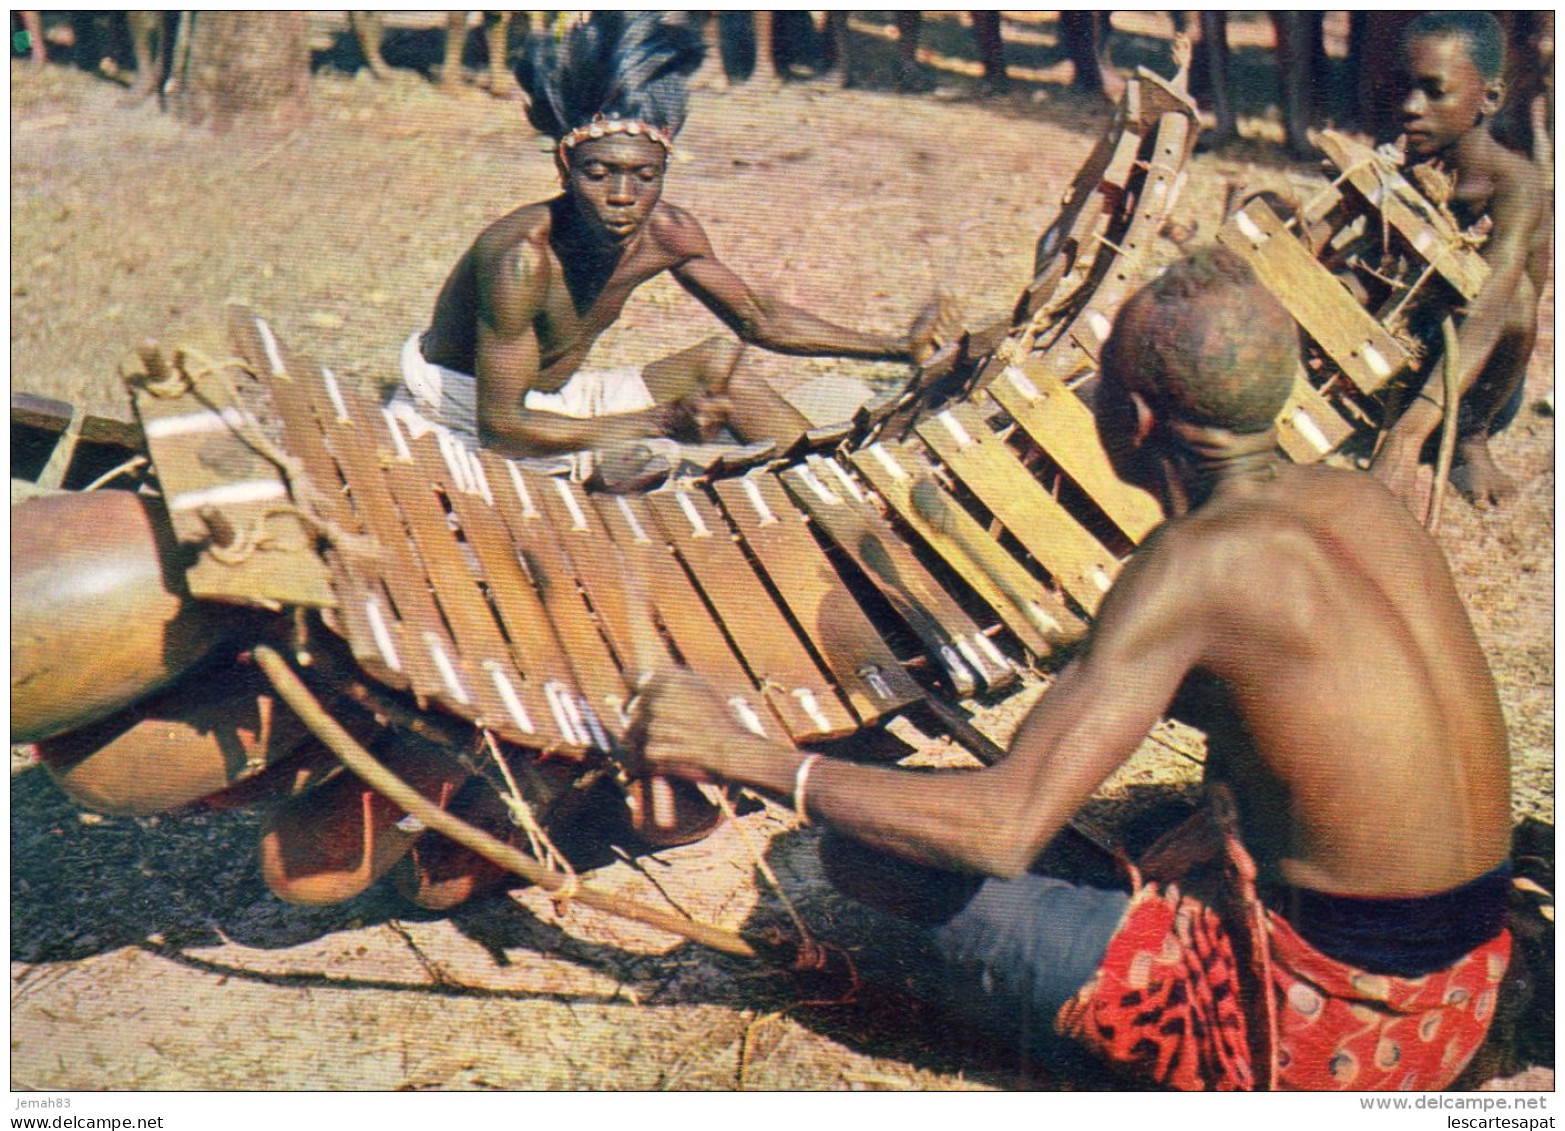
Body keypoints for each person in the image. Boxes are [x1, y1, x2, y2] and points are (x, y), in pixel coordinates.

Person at [631, 248, 1516, 1090]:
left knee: (865, 854)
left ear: (1130, 418)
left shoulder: (1193, 562)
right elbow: (1332, 715)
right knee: (1122, 828)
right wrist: (1222, 818)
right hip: (1465, 984)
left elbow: (999, 829)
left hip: (1322, 1037)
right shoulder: (1359, 498)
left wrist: (747, 756)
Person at [390, 12, 957, 482]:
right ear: (565, 168)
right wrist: (659, 422)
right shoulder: (522, 258)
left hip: (553, 405)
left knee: (719, 364)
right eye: (599, 174)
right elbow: (502, 426)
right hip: (465, 420)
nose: (621, 196)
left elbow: (759, 321)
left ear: (664, 171)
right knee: (644, 464)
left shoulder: (667, 233)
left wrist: (896, 348)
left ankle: (830, 487)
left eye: (643, 176)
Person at [1370, 12, 1553, 510]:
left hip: (1476, 378)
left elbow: (1489, 312)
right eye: (1406, 87)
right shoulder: (1402, 159)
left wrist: (1405, 440)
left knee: (1513, 299)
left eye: (1434, 90)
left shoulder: (1516, 184)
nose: (1411, 107)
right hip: (1404, 351)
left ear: (1488, 99)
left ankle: (1469, 443)